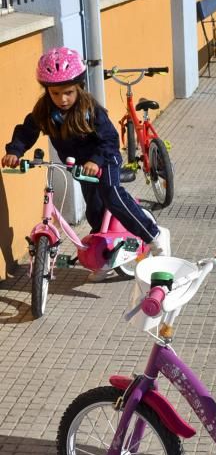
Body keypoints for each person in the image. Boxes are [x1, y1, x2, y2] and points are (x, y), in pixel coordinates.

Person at [1, 46, 170, 281]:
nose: (62, 99)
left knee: (111, 193)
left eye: (68, 92)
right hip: (80, 164)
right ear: (47, 91)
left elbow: (110, 139)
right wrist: (15, 151)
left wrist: (96, 160)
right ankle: (104, 259)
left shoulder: (90, 110)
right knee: (95, 209)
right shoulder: (44, 111)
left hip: (105, 157)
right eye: (56, 93)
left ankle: (154, 236)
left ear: (79, 86)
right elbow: (26, 132)